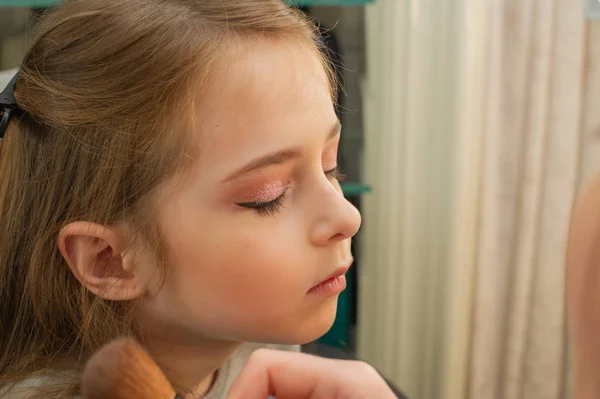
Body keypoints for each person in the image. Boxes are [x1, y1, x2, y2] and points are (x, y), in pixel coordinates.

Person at [0, 0, 363, 398]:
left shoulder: (261, 343)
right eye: (268, 197)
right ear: (110, 260)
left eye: (329, 165)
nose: (347, 217)